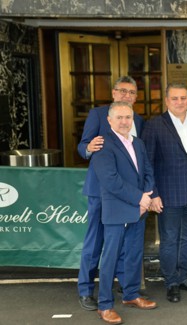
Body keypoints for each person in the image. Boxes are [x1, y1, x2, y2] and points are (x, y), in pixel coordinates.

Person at [77, 76, 144, 311]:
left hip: (128, 193)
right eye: (122, 91)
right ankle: (86, 290)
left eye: (132, 92)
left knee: (126, 243)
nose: (127, 95)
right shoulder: (98, 115)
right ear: (114, 93)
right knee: (96, 241)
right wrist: (87, 148)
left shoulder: (139, 120)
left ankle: (126, 287)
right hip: (101, 191)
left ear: (136, 97)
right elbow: (83, 145)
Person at [142, 83, 187, 303]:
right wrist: (153, 193)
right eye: (174, 99)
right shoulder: (155, 125)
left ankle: (182, 277)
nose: (179, 102)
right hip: (167, 194)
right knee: (170, 239)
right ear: (166, 100)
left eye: (183, 98)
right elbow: (147, 163)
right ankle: (171, 281)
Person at [92, 101, 157, 324]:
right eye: (119, 117)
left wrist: (146, 195)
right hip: (118, 209)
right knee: (110, 258)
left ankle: (130, 295)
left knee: (133, 255)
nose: (124, 122)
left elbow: (148, 171)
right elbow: (110, 181)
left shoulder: (137, 143)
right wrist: (140, 198)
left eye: (128, 117)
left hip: (138, 209)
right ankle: (105, 305)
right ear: (109, 120)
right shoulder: (102, 144)